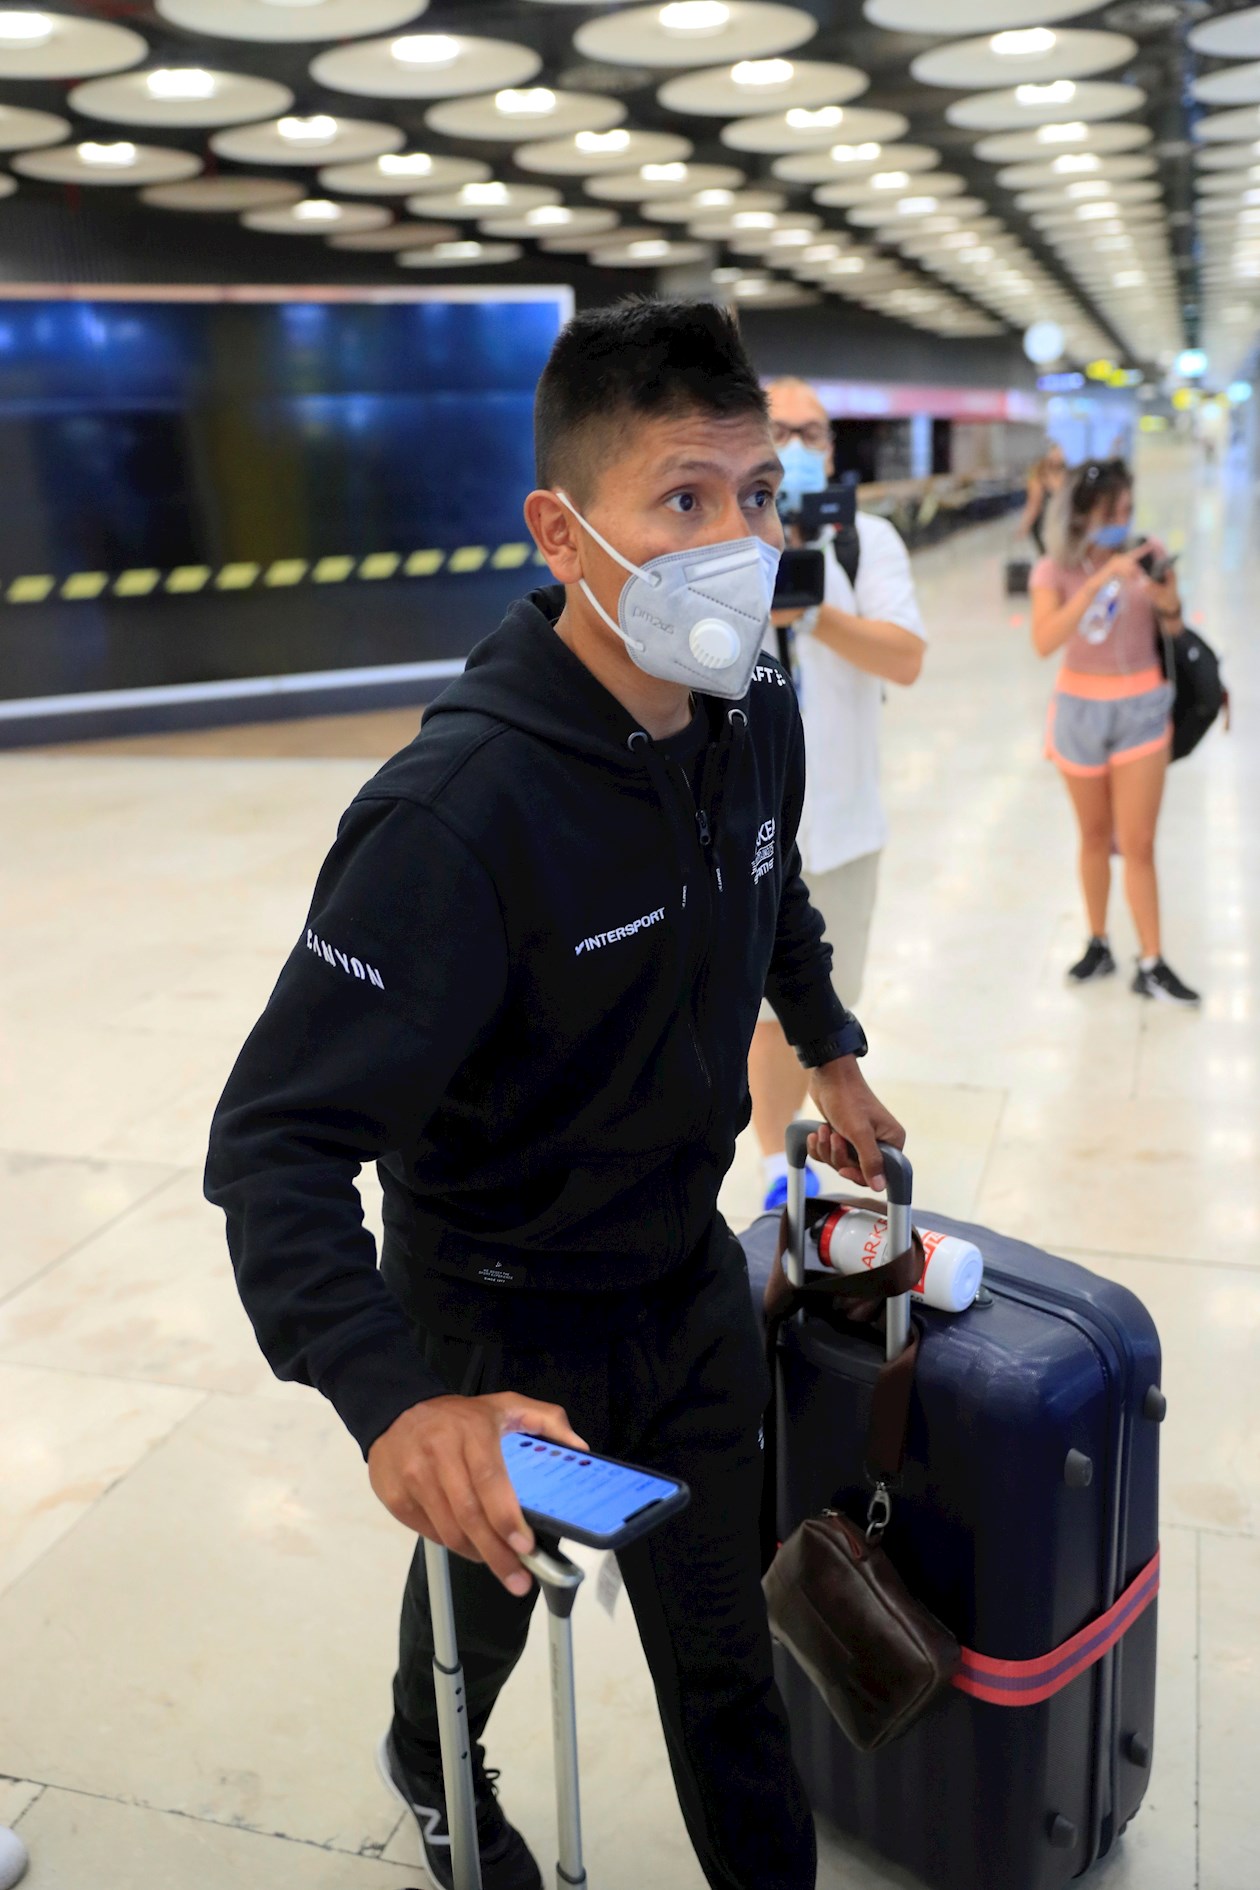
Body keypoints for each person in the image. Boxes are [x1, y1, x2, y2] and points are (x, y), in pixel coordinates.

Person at [205, 298, 905, 1890]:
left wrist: (834, 1045)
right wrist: (399, 1401)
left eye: (757, 494)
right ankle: (431, 1759)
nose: (738, 540)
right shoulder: (457, 816)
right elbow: (275, 1144)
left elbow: (767, 879)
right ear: (562, 528)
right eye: (683, 497)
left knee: (729, 1652)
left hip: (682, 1271)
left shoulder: (754, 703)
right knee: (486, 1612)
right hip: (501, 1324)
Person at [748, 377, 926, 1210]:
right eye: (778, 428)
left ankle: (784, 1173)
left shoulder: (870, 542)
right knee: (755, 1015)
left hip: (844, 824)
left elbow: (904, 657)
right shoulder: (726, 537)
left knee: (816, 1008)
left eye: (811, 430)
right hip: (745, 825)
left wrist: (810, 612)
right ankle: (765, 1174)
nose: (797, 443)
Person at [1031, 457, 1199, 1004]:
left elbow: (1173, 626)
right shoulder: (1053, 568)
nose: (1123, 521)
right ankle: (1098, 941)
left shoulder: (1147, 554)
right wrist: (1099, 579)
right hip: (1079, 711)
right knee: (1094, 837)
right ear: (1082, 514)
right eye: (1112, 511)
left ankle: (1152, 960)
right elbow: (1043, 639)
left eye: (1128, 509)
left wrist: (1168, 604)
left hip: (1142, 712)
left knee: (1140, 841)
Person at [1020, 442, 1067, 554]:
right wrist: (1025, 525)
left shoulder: (1067, 473)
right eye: (1056, 452)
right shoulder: (1038, 474)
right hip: (1044, 523)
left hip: (1061, 522)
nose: (1058, 456)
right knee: (1049, 557)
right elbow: (1034, 503)